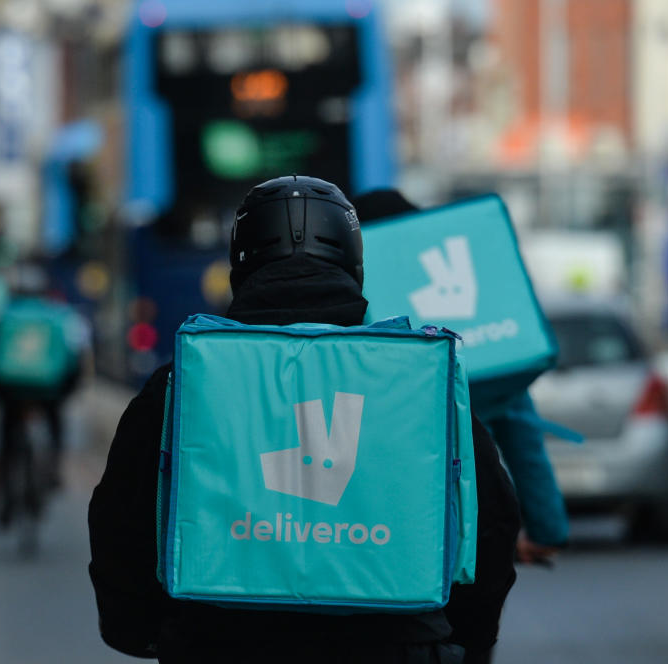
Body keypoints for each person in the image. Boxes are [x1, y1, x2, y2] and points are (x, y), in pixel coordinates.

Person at [88, 176, 521, 663]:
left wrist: (143, 631)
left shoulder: (183, 382)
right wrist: (462, 634)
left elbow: (120, 522)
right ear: (354, 264)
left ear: (240, 266)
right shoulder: (418, 377)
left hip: (218, 646)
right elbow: (492, 521)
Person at [352, 188, 569, 563]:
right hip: (467, 531)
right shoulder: (489, 355)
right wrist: (547, 530)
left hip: (378, 531)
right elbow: (525, 444)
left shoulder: (360, 332)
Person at [0, 260, 88, 528]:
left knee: (6, 436)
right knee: (55, 418)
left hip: (10, 388)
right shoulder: (59, 315)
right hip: (49, 388)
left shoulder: (3, 314)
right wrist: (72, 385)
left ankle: (4, 500)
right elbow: (75, 354)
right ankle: (54, 469)